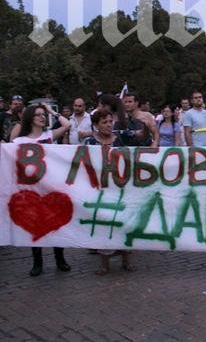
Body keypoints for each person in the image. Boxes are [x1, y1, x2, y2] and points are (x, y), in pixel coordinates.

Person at [13, 104, 72, 276]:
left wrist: (53, 110)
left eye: (43, 115)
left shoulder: (49, 136)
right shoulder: (19, 142)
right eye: (38, 115)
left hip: (51, 188)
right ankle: (37, 262)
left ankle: (60, 259)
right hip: (31, 190)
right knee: (34, 224)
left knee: (55, 223)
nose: (42, 117)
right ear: (30, 118)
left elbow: (67, 125)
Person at [84, 108, 134, 275]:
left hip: (120, 189)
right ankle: (104, 264)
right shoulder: (90, 143)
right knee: (103, 226)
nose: (108, 125)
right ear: (96, 125)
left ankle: (126, 260)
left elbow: (129, 160)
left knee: (123, 224)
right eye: (104, 122)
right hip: (100, 190)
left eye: (110, 121)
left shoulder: (119, 140)